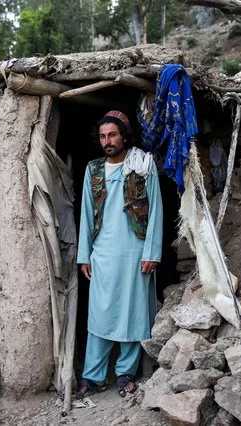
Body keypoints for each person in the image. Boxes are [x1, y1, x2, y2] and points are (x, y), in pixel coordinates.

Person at [76, 110, 163, 398]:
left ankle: (125, 373)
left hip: (136, 252)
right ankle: (92, 376)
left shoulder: (143, 165)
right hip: (103, 253)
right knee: (100, 316)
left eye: (112, 134)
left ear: (123, 135)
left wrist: (152, 251)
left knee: (133, 314)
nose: (107, 141)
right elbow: (87, 215)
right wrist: (84, 255)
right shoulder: (93, 170)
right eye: (102, 136)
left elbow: (156, 212)